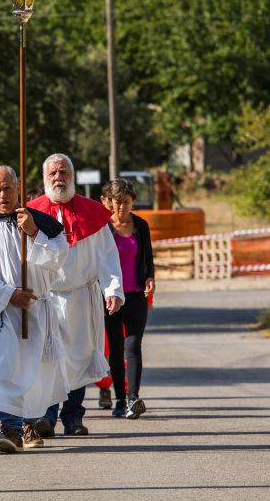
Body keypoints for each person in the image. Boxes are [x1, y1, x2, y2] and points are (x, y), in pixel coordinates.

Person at [0, 165, 70, 453]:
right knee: (2, 370)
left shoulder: (40, 222)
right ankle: (11, 428)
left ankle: (30, 423)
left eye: (8, 188)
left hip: (37, 311)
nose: (3, 194)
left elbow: (60, 258)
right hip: (3, 312)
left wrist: (35, 233)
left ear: (18, 187)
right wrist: (9, 294)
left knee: (36, 373)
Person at [27, 154, 124, 437]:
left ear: (73, 175)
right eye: (53, 173)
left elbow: (107, 255)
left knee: (79, 359)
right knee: (48, 359)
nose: (59, 177)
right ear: (45, 178)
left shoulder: (92, 211)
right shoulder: (31, 212)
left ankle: (73, 418)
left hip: (82, 297)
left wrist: (113, 289)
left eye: (64, 172)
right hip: (46, 298)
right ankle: (47, 415)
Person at [102, 178, 155, 419]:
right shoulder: (103, 228)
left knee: (133, 345)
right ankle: (119, 399)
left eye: (127, 202)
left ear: (133, 202)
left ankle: (134, 397)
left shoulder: (141, 226)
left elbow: (148, 258)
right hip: (111, 298)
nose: (122, 207)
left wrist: (149, 278)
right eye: (117, 202)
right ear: (110, 203)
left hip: (135, 295)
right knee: (115, 349)